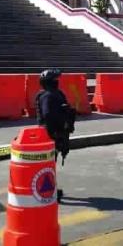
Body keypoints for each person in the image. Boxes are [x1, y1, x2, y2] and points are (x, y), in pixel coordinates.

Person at [36, 68, 76, 203]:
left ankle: (50, 188)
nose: (56, 82)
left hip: (57, 133)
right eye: (54, 80)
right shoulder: (48, 96)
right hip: (50, 134)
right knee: (48, 163)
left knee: (51, 162)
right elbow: (48, 115)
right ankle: (48, 190)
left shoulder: (57, 94)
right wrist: (56, 130)